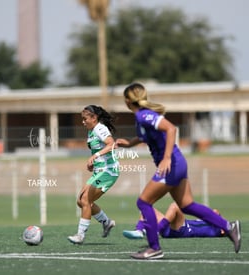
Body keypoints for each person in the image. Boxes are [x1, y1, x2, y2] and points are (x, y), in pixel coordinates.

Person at [116, 83, 241, 259]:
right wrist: (130, 143)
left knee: (144, 203)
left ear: (128, 100)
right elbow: (146, 136)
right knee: (187, 205)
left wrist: (166, 157)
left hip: (172, 164)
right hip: (177, 163)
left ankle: (154, 248)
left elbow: (171, 128)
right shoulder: (141, 118)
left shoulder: (145, 115)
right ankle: (229, 227)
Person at [67, 105, 120, 244]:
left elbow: (112, 144)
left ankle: (80, 236)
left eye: (85, 119)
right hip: (99, 171)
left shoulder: (100, 128)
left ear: (94, 118)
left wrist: (95, 156)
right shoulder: (91, 131)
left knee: (85, 200)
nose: (83, 122)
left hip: (108, 171)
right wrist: (93, 163)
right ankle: (106, 222)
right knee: (81, 201)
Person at [123, 202, 225, 239]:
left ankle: (157, 231)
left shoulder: (216, 230)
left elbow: (216, 212)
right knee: (147, 208)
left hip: (184, 230)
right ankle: (139, 231)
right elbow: (215, 211)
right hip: (172, 227)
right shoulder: (209, 222)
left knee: (175, 206)